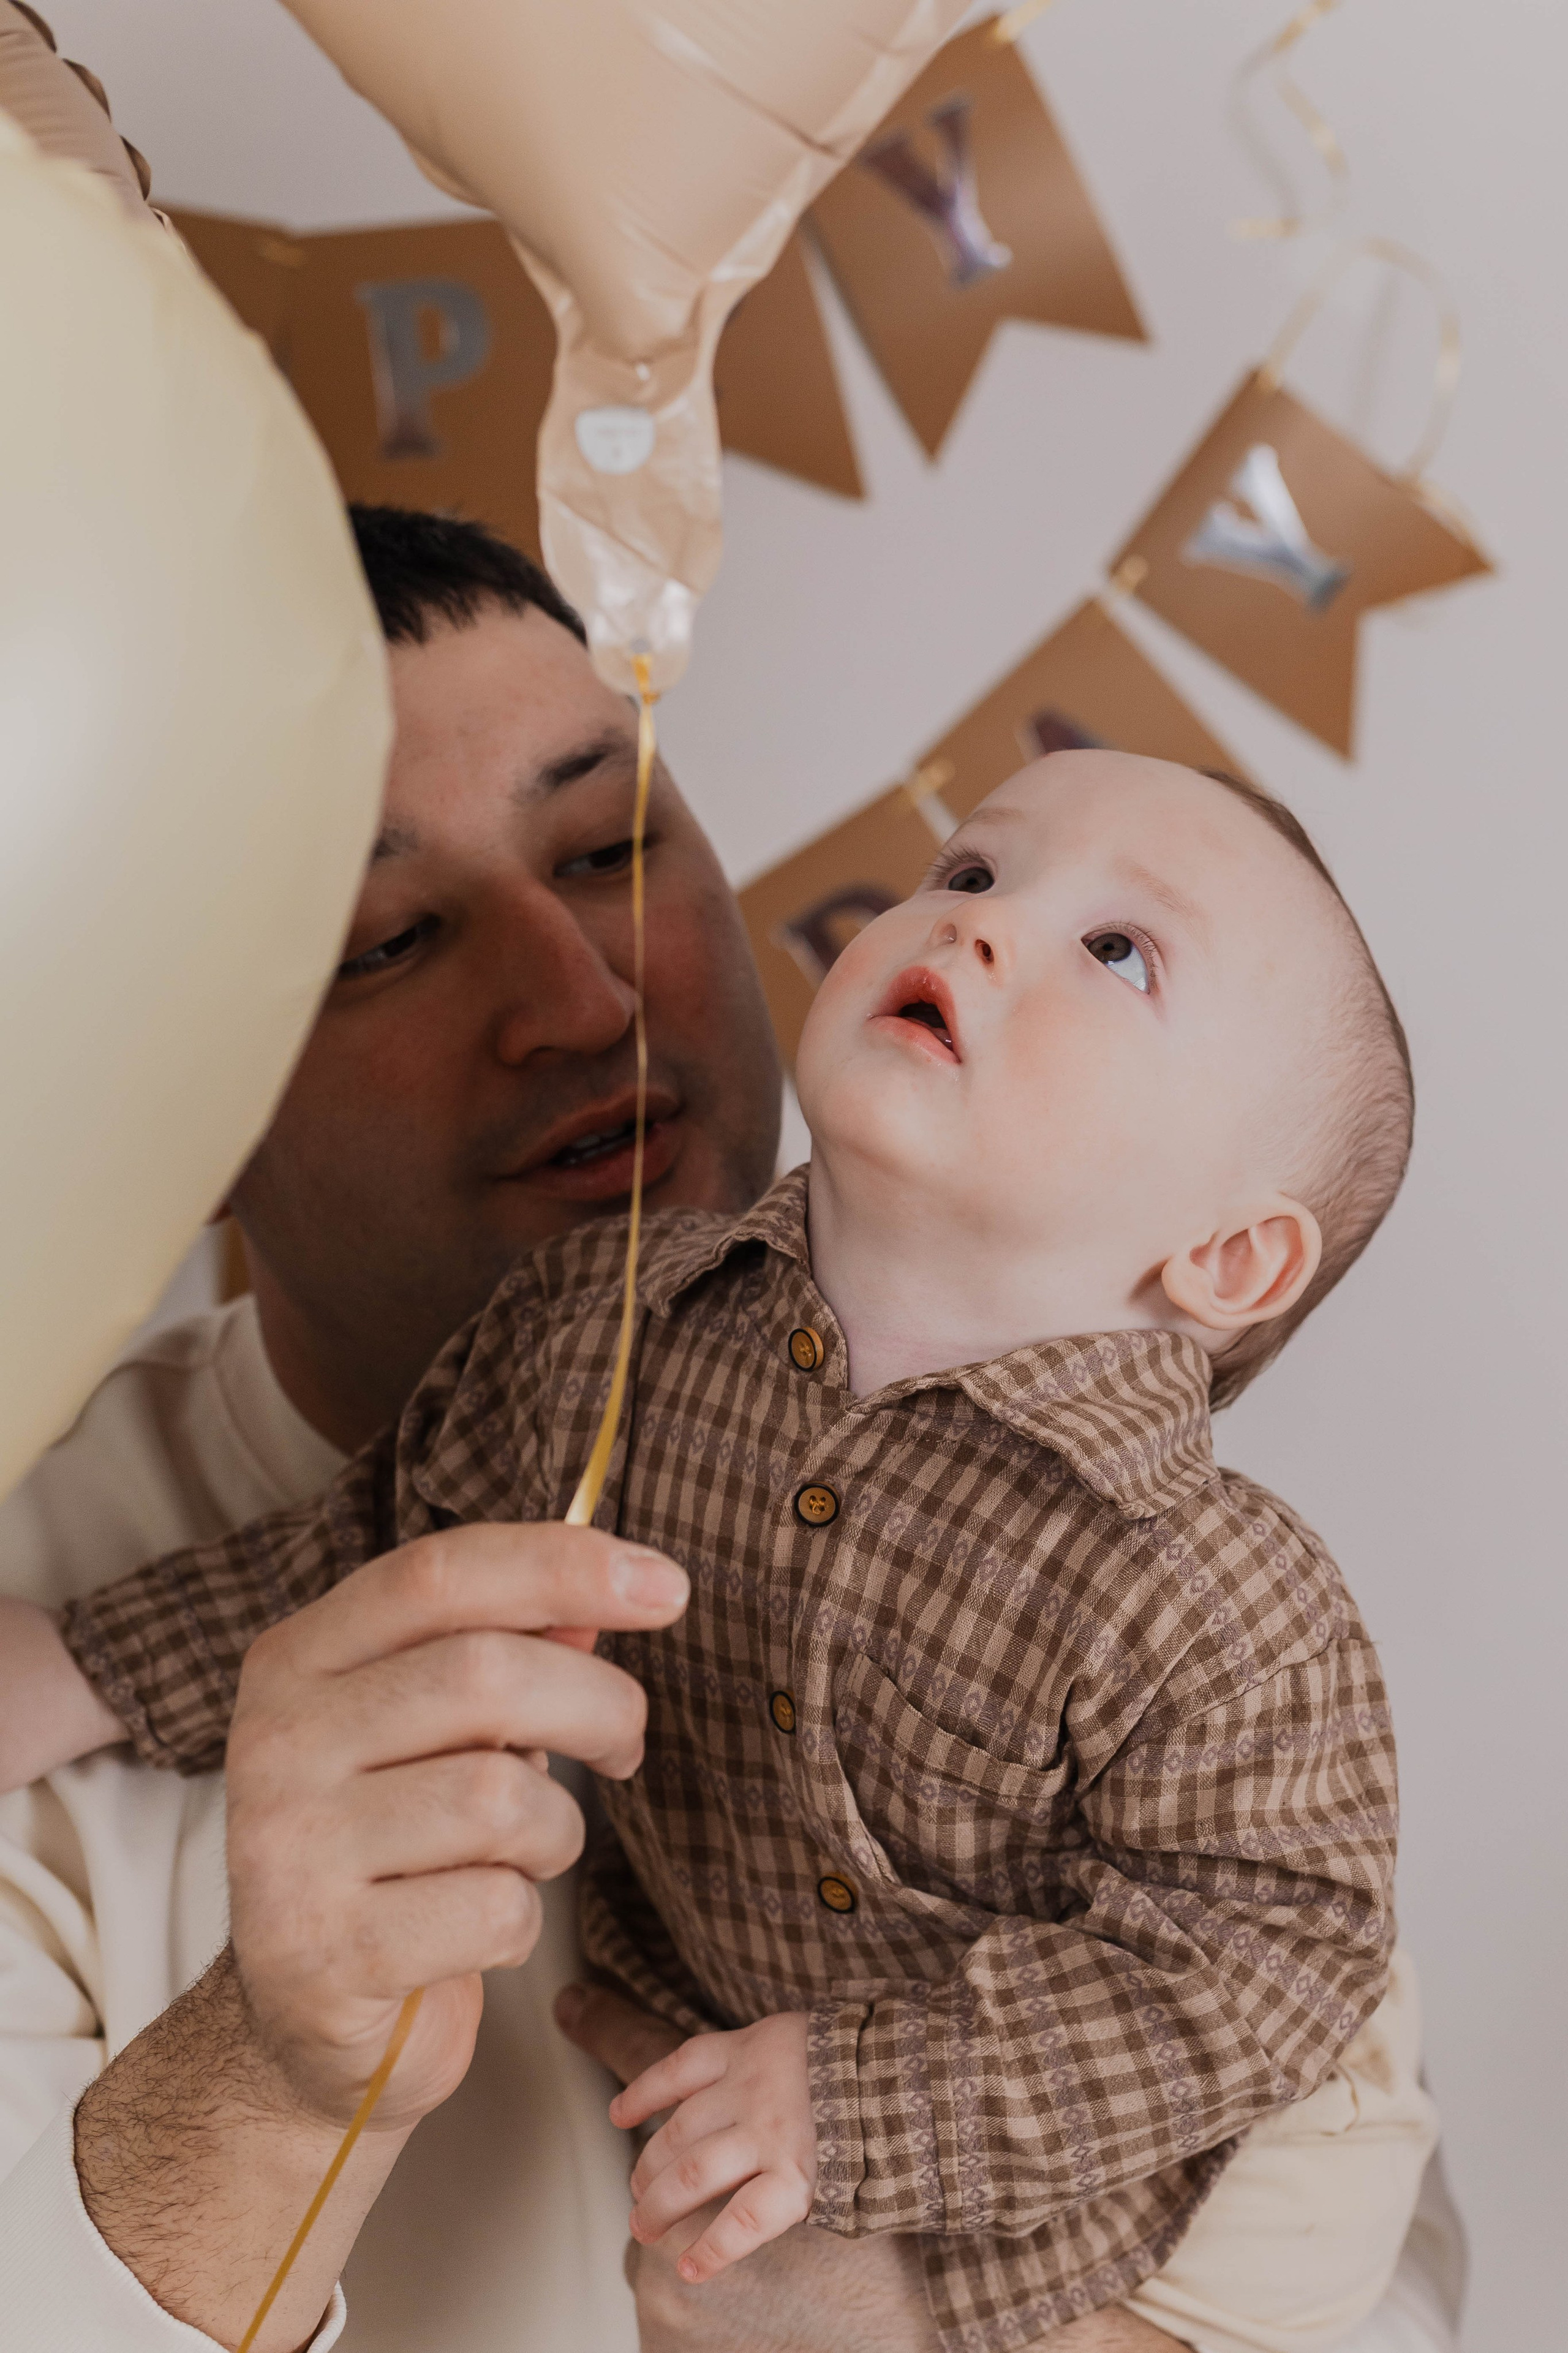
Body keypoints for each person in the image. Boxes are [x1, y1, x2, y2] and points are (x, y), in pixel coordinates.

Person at [0, 511, 1464, 2353]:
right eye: (388, 939)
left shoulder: (1187, 1629)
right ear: (169, 1092)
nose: (583, 998)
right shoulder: (78, 1587)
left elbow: (1366, 2224)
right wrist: (274, 2077)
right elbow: (376, 1533)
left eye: (611, 846)